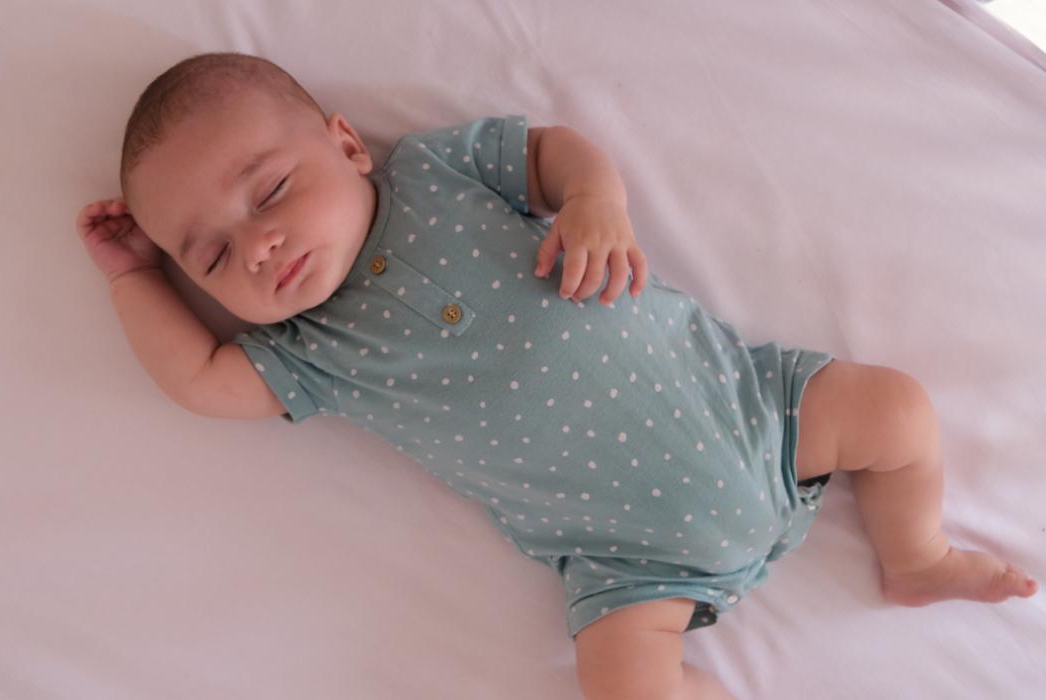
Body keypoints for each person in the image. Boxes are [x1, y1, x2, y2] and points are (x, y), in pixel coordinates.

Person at [75, 52, 1037, 700]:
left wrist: (596, 200)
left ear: (346, 143)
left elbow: (548, 150)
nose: (259, 245)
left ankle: (915, 556)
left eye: (271, 190)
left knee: (896, 410)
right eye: (209, 258)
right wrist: (131, 276)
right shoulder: (310, 353)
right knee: (618, 681)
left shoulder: (437, 174)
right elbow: (199, 377)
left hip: (758, 412)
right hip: (630, 565)